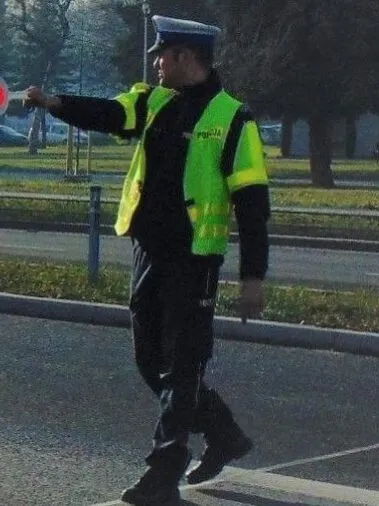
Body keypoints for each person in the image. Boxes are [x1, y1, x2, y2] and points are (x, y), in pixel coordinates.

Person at [24, 13, 270, 506]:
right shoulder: (152, 101)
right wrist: (55, 104)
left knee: (182, 368)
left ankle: (163, 475)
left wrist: (253, 278)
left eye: (162, 54)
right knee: (149, 363)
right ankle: (224, 435)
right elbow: (110, 115)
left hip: (194, 259)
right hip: (149, 253)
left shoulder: (231, 118)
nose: (155, 62)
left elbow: (253, 204)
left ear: (185, 57)